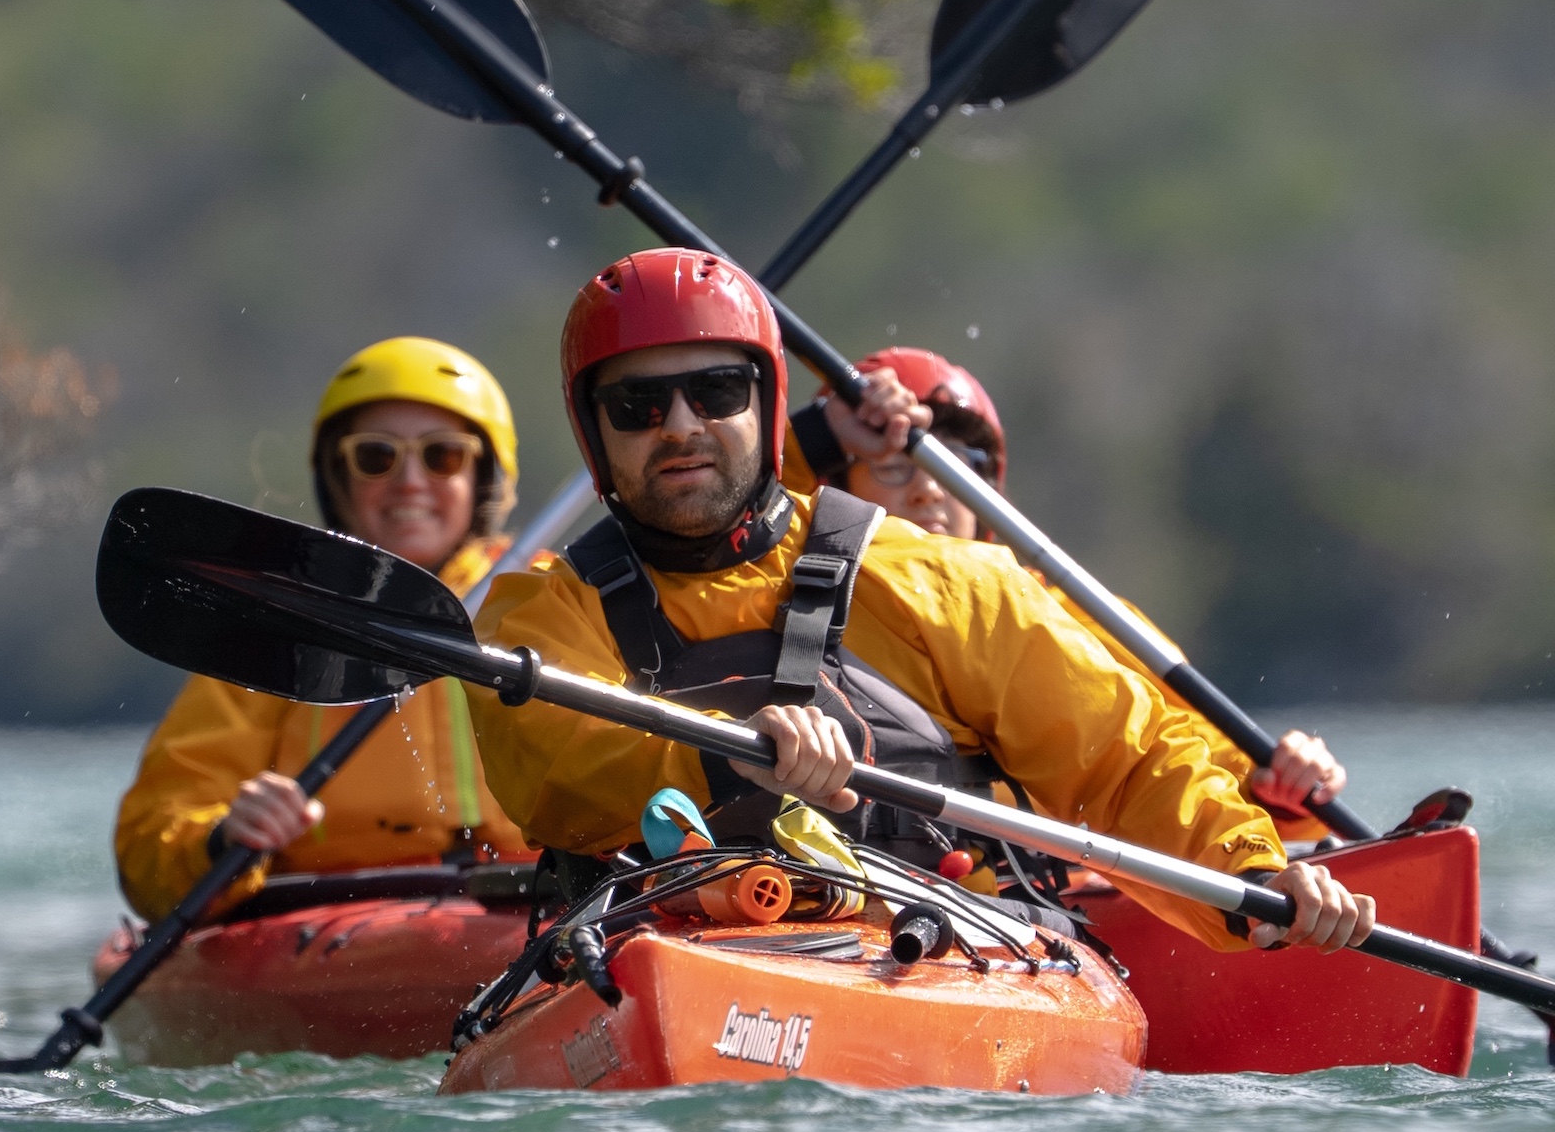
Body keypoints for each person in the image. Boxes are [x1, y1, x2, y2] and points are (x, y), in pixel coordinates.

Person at [466, 249, 1374, 955]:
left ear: (766, 403)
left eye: (716, 390)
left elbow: (1123, 759)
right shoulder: (540, 614)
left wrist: (1252, 876)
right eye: (637, 405)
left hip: (933, 948)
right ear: (593, 431)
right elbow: (555, 771)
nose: (680, 427)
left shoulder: (933, 577)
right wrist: (725, 748)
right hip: (662, 951)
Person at [788, 344, 1356, 842]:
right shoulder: (790, 592)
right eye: (892, 465)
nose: (929, 490)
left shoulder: (1055, 611)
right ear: (835, 487)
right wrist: (814, 436)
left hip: (1025, 899)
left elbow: (1164, 736)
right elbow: (733, 528)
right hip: (855, 884)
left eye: (956, 464)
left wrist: (1267, 787)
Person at [112, 337, 530, 918]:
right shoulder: (277, 623)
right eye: (376, 456)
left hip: (534, 908)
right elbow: (148, 849)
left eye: (442, 456)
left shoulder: (549, 603)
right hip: (327, 925)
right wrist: (224, 835)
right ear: (339, 478)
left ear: (482, 479)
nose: (410, 481)